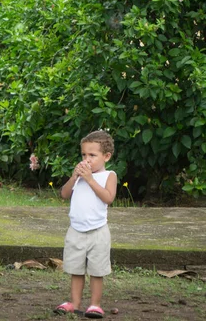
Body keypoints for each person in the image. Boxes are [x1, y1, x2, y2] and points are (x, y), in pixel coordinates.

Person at [55, 130, 117, 318]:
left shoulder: (108, 175)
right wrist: (74, 177)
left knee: (97, 270)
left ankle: (95, 304)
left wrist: (90, 179)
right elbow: (64, 194)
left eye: (92, 155)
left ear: (106, 156)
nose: (86, 159)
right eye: (83, 155)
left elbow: (108, 198)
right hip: (76, 230)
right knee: (76, 269)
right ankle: (74, 303)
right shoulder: (79, 176)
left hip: (98, 231)